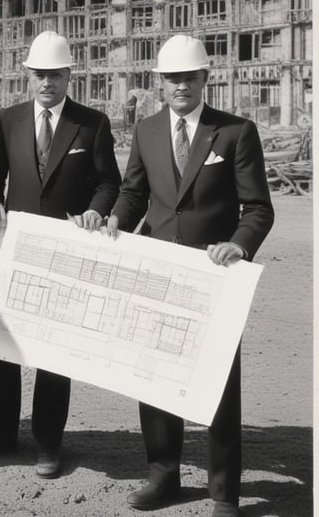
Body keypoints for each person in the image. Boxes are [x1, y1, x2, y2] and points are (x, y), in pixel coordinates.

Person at [105, 34, 274, 517]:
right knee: (154, 379)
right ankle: (163, 477)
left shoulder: (235, 132)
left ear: (205, 78)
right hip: (158, 271)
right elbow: (134, 194)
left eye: (190, 77)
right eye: (173, 78)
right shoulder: (146, 130)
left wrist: (238, 245)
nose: (181, 85)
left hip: (213, 276)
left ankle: (224, 492)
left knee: (218, 385)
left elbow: (258, 208)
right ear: (161, 83)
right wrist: (118, 217)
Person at [0, 30, 122, 478]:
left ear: (68, 76)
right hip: (16, 249)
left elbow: (109, 182)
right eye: (39, 75)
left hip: (65, 250)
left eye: (55, 75)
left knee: (54, 353)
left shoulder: (91, 123)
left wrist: (96, 213)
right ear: (29, 76)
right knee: (4, 346)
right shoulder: (9, 119)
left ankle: (48, 444)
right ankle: (0, 434)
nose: (46, 83)